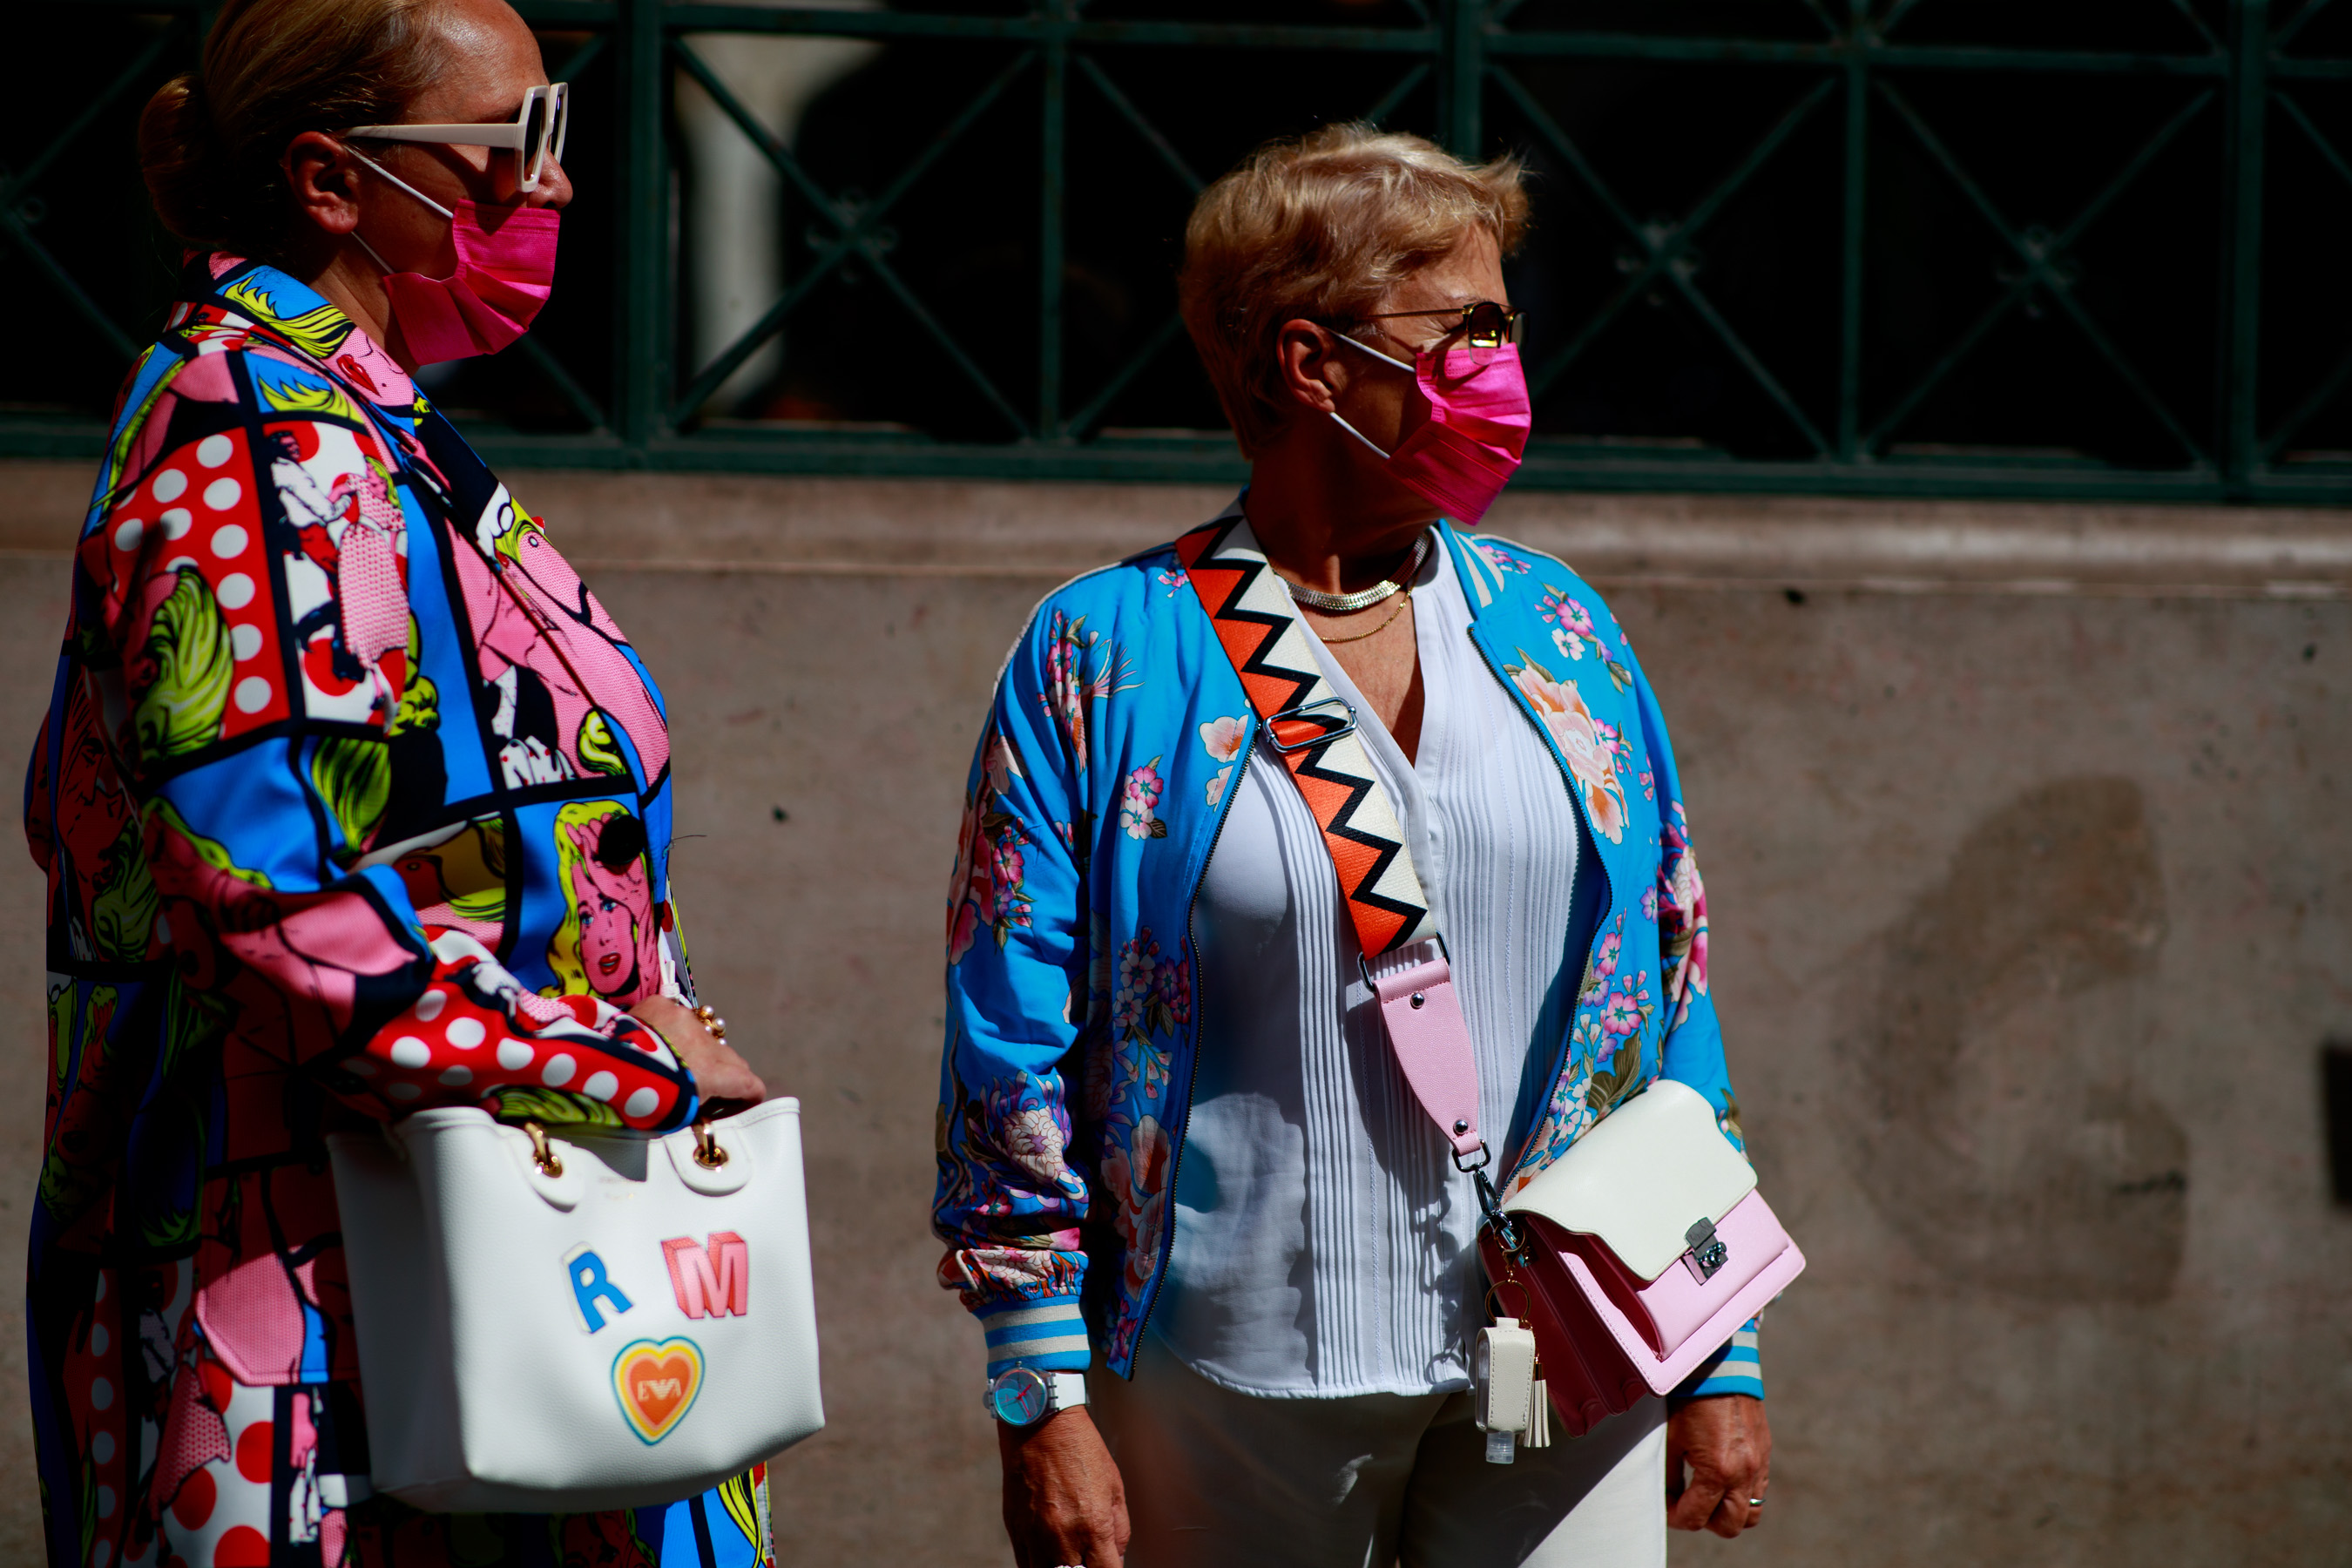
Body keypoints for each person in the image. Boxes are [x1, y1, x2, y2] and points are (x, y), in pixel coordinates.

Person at [932, 124, 1772, 1567]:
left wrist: (1720, 1343)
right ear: (1310, 363)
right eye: (1467, 328)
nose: (1506, 366)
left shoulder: (1554, 627)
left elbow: (1669, 989)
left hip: (1571, 1356)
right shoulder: (1105, 654)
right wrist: (1039, 1388)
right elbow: (1007, 1037)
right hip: (1233, 1377)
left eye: (1509, 322)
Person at [24, 0, 777, 1561]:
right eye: (516, 148)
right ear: (330, 181)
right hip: (331, 1301)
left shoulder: (356, 424)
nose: (556, 186)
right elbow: (281, 908)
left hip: (463, 1264)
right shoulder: (254, 441)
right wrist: (627, 1070)